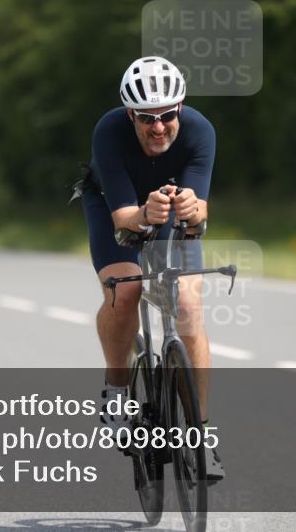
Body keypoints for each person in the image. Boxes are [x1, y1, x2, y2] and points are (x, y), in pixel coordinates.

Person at [81, 56, 223, 481]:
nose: (158, 127)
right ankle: (116, 388)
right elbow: (125, 218)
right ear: (130, 114)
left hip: (170, 212)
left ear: (180, 108)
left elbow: (200, 216)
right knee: (125, 291)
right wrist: (145, 211)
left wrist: (193, 209)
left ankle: (199, 433)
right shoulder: (109, 131)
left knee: (188, 307)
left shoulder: (200, 130)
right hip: (117, 206)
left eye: (166, 116)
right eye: (146, 118)